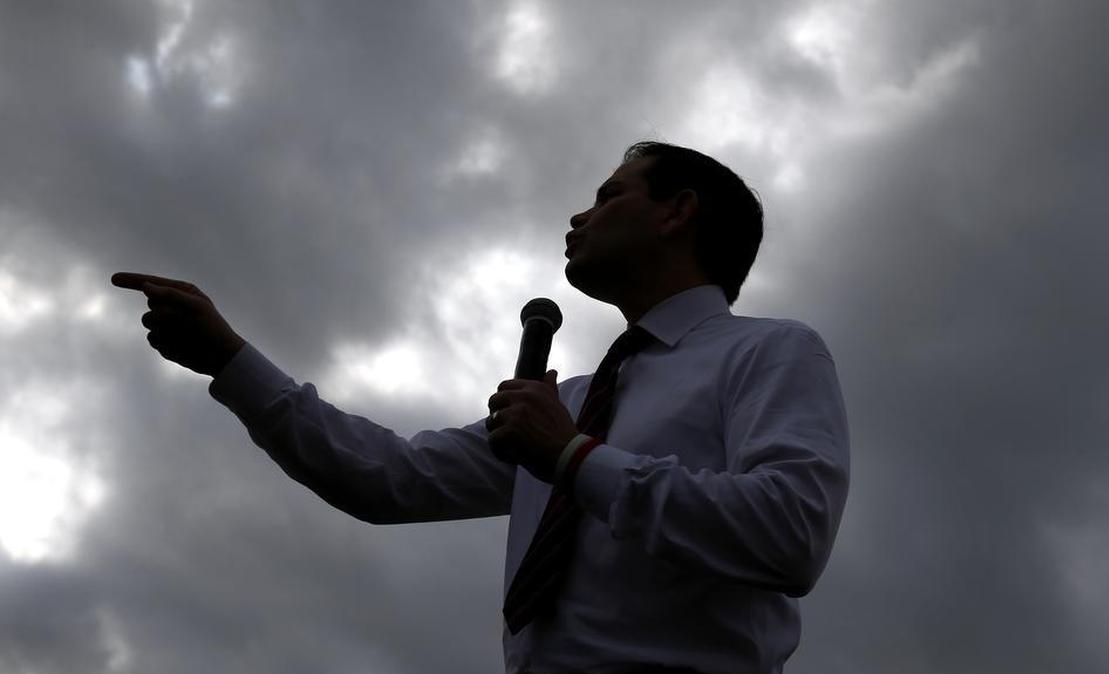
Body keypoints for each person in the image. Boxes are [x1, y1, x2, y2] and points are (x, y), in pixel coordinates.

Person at [112, 141, 850, 674]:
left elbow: (787, 533)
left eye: (609, 195)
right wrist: (230, 360)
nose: (580, 215)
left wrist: (572, 458)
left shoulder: (770, 352)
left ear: (676, 213)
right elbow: (386, 478)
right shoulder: (569, 405)